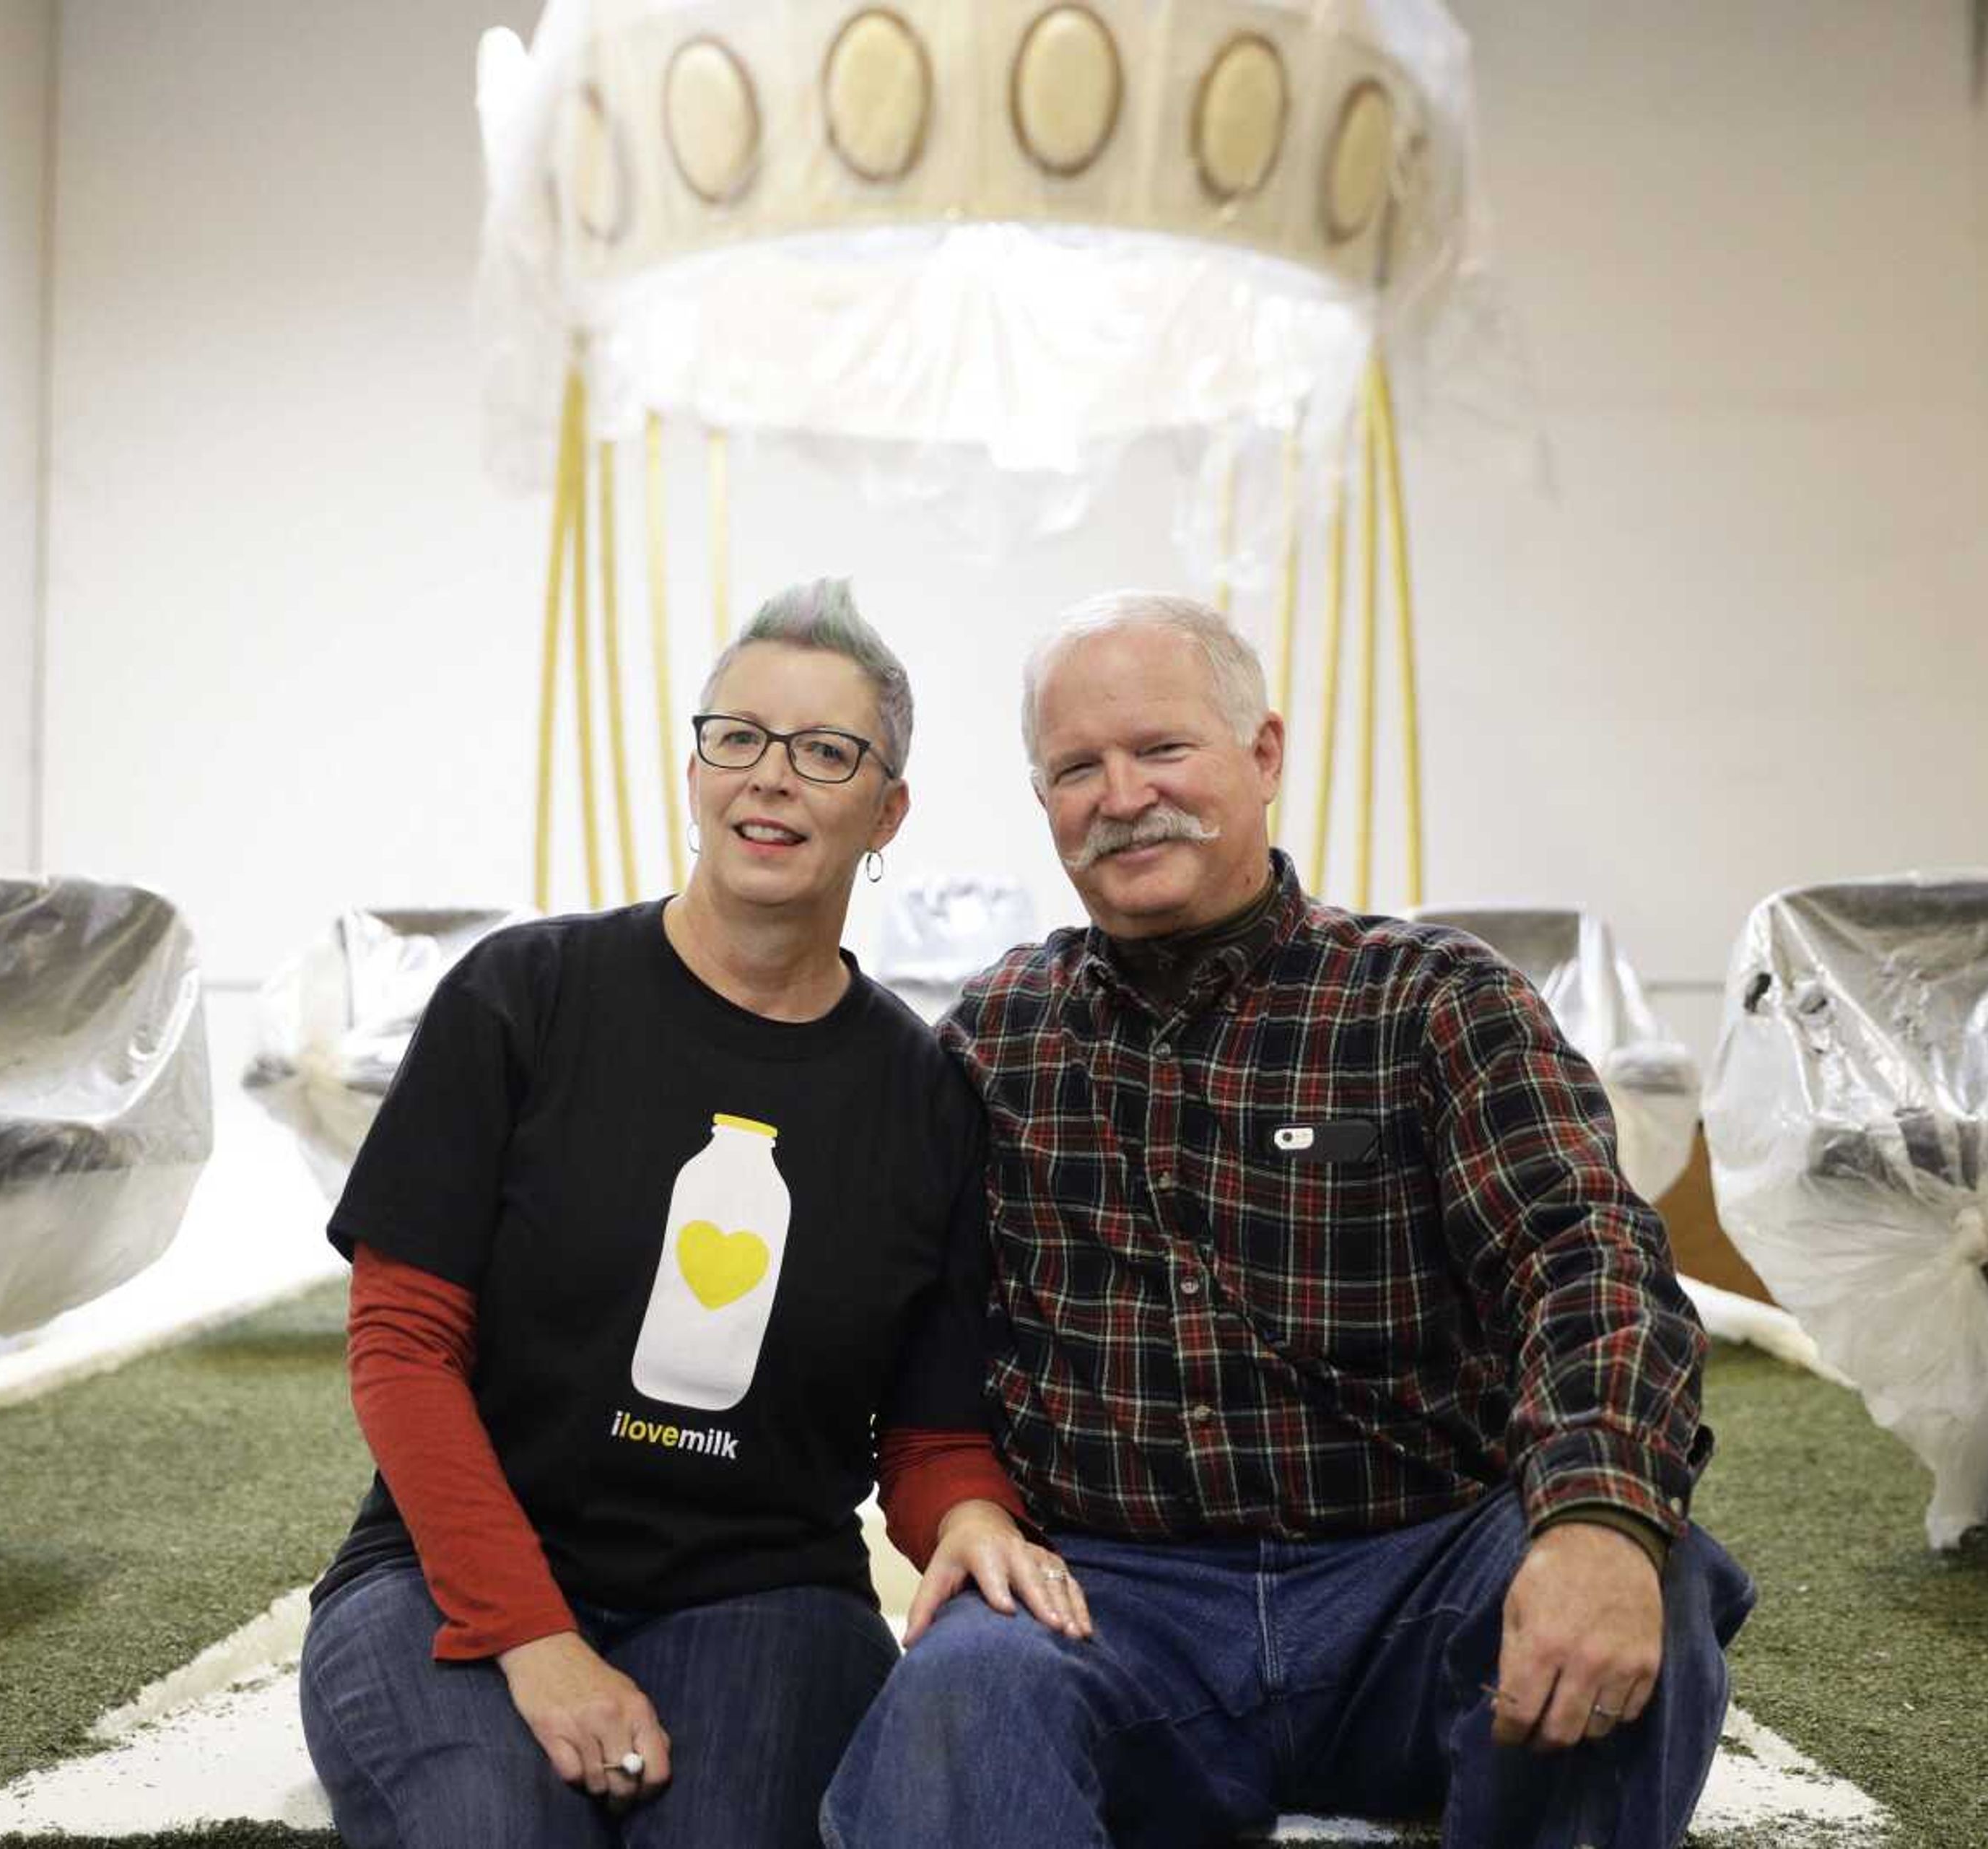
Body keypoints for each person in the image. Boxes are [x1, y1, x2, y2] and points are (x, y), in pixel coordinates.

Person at [823, 591, 1753, 1849]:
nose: (1121, 794)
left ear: (1262, 755)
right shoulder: (993, 1042)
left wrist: (1596, 1517)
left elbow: (1587, 1261)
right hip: (1114, 1600)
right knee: (962, 1689)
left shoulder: (1433, 1001)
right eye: (1076, 769)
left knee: (1657, 1571)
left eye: (1160, 749)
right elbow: (909, 1340)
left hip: (1421, 1580)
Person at [297, 579, 1081, 1849]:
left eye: (827, 752)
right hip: (455, 1569)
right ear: (696, 769)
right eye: (739, 738)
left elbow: (930, 1434)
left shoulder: (926, 1095)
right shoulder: (523, 997)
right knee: (502, 1830)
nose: (772, 778)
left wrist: (977, 1517)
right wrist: (535, 1638)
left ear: (887, 811)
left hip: (765, 1592)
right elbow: (401, 1348)